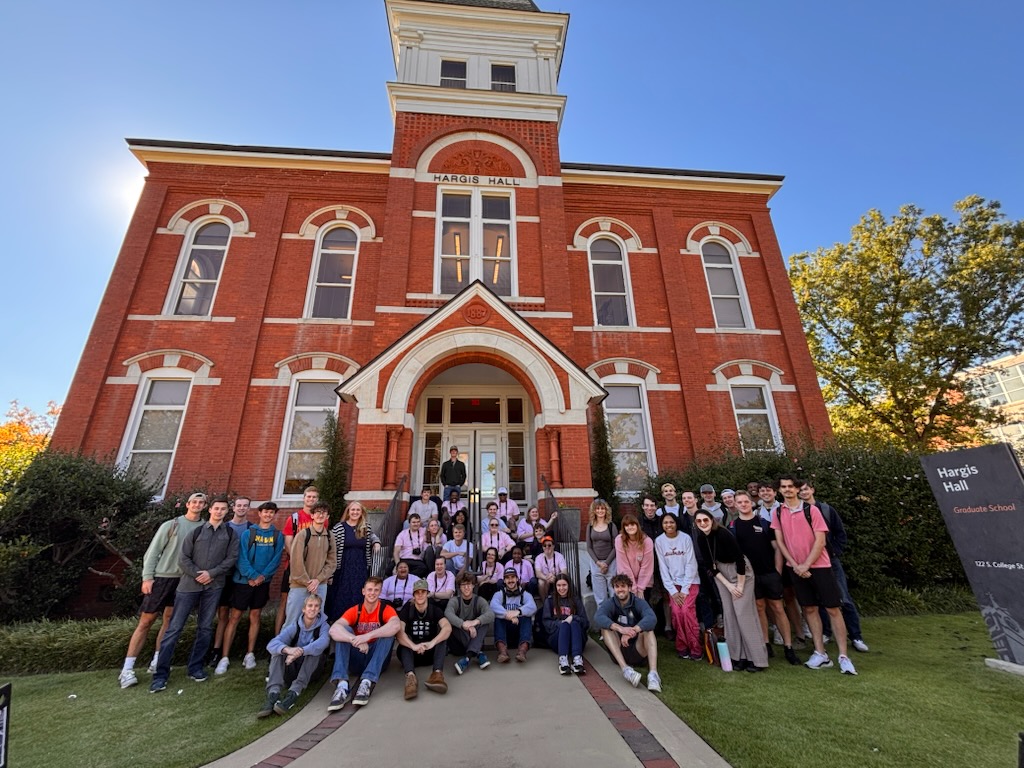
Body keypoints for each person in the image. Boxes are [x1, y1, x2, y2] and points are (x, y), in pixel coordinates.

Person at [150, 497, 239, 692]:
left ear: (227, 512)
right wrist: (198, 574)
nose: (219, 512)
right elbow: (183, 558)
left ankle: (195, 667)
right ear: (210, 510)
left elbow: (231, 558)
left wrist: (211, 574)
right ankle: (161, 674)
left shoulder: (231, 534)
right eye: (216, 508)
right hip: (189, 586)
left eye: (223, 509)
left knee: (205, 628)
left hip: (213, 587)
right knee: (174, 628)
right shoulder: (196, 531)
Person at [119, 491, 207, 689]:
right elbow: (153, 552)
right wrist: (147, 577)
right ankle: (127, 668)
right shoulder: (171, 524)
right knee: (146, 620)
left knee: (169, 621)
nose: (197, 505)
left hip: (184, 581)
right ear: (188, 504)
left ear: (204, 507)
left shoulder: (204, 528)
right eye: (194, 501)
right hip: (163, 578)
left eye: (201, 502)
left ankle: (157, 660)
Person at [771, 476, 857, 675]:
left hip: (819, 566)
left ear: (798, 489)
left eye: (791, 486)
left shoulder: (812, 510)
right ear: (780, 490)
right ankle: (820, 652)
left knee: (833, 609)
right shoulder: (778, 511)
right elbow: (780, 541)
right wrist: (794, 565)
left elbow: (820, 541)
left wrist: (806, 564)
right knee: (809, 609)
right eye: (783, 487)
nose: (787, 490)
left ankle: (844, 656)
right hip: (796, 567)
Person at [798, 481, 869, 653]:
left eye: (806, 489)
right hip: (809, 561)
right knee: (819, 599)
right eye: (800, 490)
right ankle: (826, 632)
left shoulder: (826, 510)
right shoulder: (797, 512)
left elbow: (840, 533)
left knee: (842, 598)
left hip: (829, 560)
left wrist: (834, 553)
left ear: (812, 489)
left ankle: (856, 636)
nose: (804, 492)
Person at [694, 509, 769, 672]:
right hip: (721, 574)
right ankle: (738, 656)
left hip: (740, 572)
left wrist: (739, 585)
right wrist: (728, 586)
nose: (702, 524)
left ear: (712, 520)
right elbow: (710, 566)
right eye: (699, 521)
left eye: (705, 520)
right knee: (730, 615)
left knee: (743, 614)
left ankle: (756, 659)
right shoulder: (701, 539)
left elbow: (740, 560)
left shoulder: (723, 534)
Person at [731, 491, 800, 665]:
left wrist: (777, 571)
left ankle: (788, 647)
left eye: (746, 501)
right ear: (735, 505)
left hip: (770, 573)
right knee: (759, 608)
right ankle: (766, 644)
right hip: (751, 577)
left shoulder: (765, 523)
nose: (743, 504)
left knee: (778, 608)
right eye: (739, 502)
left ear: (751, 503)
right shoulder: (733, 526)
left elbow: (777, 548)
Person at [216, 501, 285, 675]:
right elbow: (241, 557)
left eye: (271, 512)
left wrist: (262, 577)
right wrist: (252, 576)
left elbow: (276, 559)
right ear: (259, 513)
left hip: (263, 582)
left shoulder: (277, 535)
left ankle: (250, 653)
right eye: (265, 512)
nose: (268, 515)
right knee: (235, 616)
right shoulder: (249, 533)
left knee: (255, 616)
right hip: (243, 582)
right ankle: (224, 657)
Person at [327, 576, 401, 710]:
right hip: (357, 657)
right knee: (344, 631)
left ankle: (367, 682)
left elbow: (396, 625)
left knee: (388, 634)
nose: (372, 593)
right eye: (370, 589)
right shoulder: (356, 610)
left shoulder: (385, 609)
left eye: (376, 590)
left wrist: (367, 637)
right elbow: (333, 629)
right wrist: (354, 640)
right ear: (363, 591)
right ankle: (342, 685)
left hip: (377, 659)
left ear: (380, 592)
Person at [257, 593, 330, 718]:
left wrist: (300, 651)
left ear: (319, 609)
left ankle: (294, 693)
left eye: (316, 606)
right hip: (292, 667)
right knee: (278, 652)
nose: (313, 609)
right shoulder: (295, 626)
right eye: (310, 606)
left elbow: (323, 643)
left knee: (315, 652)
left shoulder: (324, 626)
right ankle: (273, 694)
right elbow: (272, 644)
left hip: (311, 671)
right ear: (304, 609)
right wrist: (287, 650)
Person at [595, 573, 661, 692]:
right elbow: (598, 617)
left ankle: (653, 674)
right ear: (614, 589)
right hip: (619, 649)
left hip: (637, 649)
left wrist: (633, 630)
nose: (620, 589)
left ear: (629, 588)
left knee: (648, 630)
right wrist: (620, 629)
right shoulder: (611, 603)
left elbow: (652, 618)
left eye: (623, 586)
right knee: (605, 628)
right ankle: (626, 670)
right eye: (617, 586)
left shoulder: (638, 602)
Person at [211, 495, 253, 664]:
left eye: (245, 506)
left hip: (242, 578)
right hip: (224, 576)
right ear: (233, 508)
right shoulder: (225, 527)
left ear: (249, 509)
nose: (242, 508)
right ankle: (216, 650)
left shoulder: (252, 529)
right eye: (239, 505)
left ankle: (230, 651)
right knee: (222, 614)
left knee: (236, 614)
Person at [654, 513, 701, 660]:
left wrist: (685, 589)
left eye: (671, 522)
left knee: (687, 611)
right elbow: (663, 568)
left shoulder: (685, 538)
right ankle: (682, 646)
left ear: (676, 523)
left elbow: (691, 564)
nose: (669, 525)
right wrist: (673, 591)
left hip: (690, 582)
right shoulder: (659, 541)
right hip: (673, 585)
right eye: (665, 523)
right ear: (662, 525)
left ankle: (695, 647)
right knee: (676, 612)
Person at [326, 501, 382, 623]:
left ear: (361, 512)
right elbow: (330, 547)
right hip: (343, 567)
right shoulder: (340, 528)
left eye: (358, 510)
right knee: (342, 594)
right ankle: (340, 622)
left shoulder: (365, 527)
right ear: (348, 512)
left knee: (359, 593)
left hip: (360, 566)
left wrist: (376, 542)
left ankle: (357, 620)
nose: (355, 512)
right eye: (353, 510)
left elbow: (373, 536)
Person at [397, 579, 452, 699]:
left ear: (427, 593)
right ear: (413, 595)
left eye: (423, 592)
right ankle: (411, 678)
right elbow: (399, 632)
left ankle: (437, 674)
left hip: (429, 652)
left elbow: (447, 628)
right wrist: (413, 646)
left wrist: (432, 643)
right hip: (412, 653)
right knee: (405, 640)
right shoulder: (407, 610)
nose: (420, 595)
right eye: (417, 592)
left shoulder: (434, 609)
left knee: (442, 638)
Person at [275, 486, 319, 635]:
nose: (311, 499)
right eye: (309, 496)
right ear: (304, 498)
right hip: (294, 567)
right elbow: (288, 543)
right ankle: (278, 637)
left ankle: (300, 637)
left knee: (309, 602)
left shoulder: (321, 520)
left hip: (312, 568)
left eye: (314, 497)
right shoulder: (294, 518)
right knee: (285, 601)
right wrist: (298, 563)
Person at [285, 502, 336, 627]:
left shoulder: (330, 537)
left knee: (316, 622)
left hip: (320, 586)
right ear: (312, 515)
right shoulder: (303, 535)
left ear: (327, 517)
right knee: (292, 621)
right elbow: (296, 561)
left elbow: (332, 562)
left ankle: (309, 647)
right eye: (317, 512)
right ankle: (284, 646)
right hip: (299, 585)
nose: (320, 515)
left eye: (324, 512)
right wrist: (308, 582)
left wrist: (317, 580)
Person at [446, 573, 495, 674]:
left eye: (469, 584)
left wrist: (474, 622)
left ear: (473, 585)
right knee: (452, 623)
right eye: (463, 585)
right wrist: (464, 625)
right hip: (459, 640)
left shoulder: (479, 600)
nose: (466, 587)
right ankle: (478, 653)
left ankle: (467, 657)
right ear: (459, 587)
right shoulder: (455, 601)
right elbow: (448, 613)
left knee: (484, 622)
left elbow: (491, 614)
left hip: (475, 634)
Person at [541, 574, 589, 675]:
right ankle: (563, 661)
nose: (561, 588)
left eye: (564, 585)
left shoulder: (575, 600)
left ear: (569, 586)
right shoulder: (550, 601)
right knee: (565, 625)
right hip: (557, 639)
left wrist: (573, 617)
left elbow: (586, 623)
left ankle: (577, 661)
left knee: (575, 623)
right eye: (559, 585)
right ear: (555, 586)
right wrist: (561, 623)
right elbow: (546, 623)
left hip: (576, 639)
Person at [491, 567, 537, 663]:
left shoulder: (525, 594)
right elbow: (492, 606)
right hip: (504, 635)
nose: (510, 580)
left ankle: (522, 652)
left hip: (520, 633)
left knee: (526, 616)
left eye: (513, 577)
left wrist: (519, 612)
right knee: (499, 618)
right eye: (507, 578)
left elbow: (533, 607)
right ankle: (503, 652)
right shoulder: (499, 594)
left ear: (517, 579)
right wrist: (507, 614)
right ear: (504, 580)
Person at [586, 498, 618, 606]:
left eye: (602, 508)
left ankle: (618, 620)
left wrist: (606, 563)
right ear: (594, 511)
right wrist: (598, 563)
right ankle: (604, 621)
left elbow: (616, 547)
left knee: (615, 594)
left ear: (606, 510)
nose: (600, 511)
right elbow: (589, 547)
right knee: (600, 598)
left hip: (611, 563)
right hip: (596, 565)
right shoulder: (590, 526)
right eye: (598, 509)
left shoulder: (611, 526)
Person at [614, 515, 654, 601]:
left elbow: (647, 567)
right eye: (627, 525)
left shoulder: (647, 541)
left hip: (645, 583)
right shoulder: (619, 540)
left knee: (643, 609)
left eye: (632, 524)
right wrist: (632, 588)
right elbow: (624, 566)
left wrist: (640, 588)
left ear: (637, 525)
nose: (630, 527)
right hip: (626, 582)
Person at [393, 512, 430, 578]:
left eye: (418, 522)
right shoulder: (402, 534)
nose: (416, 524)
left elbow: (439, 528)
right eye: (414, 522)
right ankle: (406, 577)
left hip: (417, 560)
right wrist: (398, 565)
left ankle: (405, 578)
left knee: (423, 568)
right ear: (409, 523)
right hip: (404, 559)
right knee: (388, 570)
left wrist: (438, 535)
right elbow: (396, 551)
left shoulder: (424, 531)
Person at [534, 535, 568, 604]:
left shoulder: (559, 556)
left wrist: (556, 577)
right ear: (542, 547)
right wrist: (547, 578)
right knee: (541, 582)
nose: (547, 547)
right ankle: (545, 603)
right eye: (544, 545)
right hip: (545, 579)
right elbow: (538, 573)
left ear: (553, 546)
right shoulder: (538, 557)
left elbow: (564, 571)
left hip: (557, 578)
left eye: (549, 545)